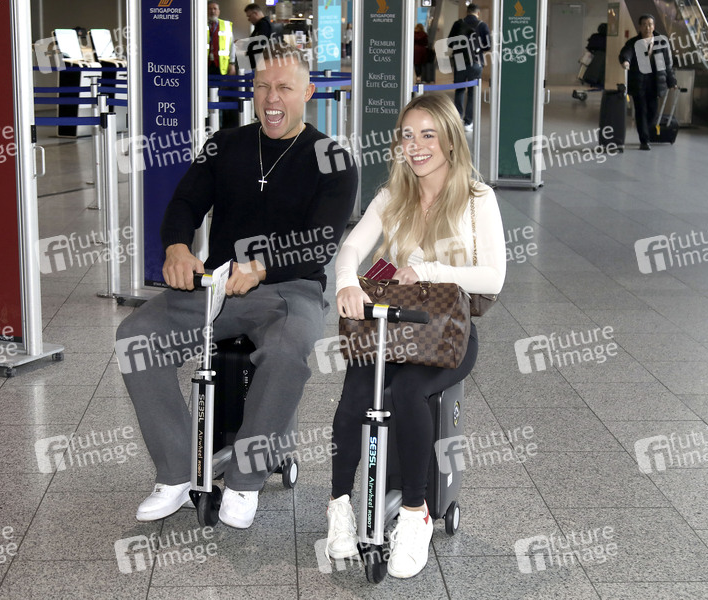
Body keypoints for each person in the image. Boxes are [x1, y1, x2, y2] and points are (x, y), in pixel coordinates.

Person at [116, 45, 357, 530]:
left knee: (287, 354)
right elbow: (184, 202)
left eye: (284, 87)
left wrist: (263, 267)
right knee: (135, 337)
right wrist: (177, 247)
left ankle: (245, 481)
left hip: (291, 288)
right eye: (263, 86)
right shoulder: (224, 144)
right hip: (219, 284)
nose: (272, 98)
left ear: (308, 92)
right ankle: (177, 471)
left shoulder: (332, 158)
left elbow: (321, 243)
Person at [325, 93, 505, 579]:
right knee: (354, 394)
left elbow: (494, 277)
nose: (417, 145)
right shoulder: (393, 196)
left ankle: (414, 513)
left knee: (408, 391)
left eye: (428, 134)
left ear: (451, 140)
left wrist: (429, 270)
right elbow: (351, 249)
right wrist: (346, 283)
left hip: (447, 335)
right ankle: (339, 506)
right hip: (390, 330)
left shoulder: (477, 199)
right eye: (408, 136)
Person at [619, 14, 677, 150]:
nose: (647, 27)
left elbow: (667, 64)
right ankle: (644, 140)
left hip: (655, 82)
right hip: (639, 81)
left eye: (650, 24)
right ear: (639, 27)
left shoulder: (661, 43)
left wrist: (672, 81)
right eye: (644, 24)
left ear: (654, 26)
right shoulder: (633, 42)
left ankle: (647, 133)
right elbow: (626, 52)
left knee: (652, 111)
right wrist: (626, 61)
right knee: (641, 111)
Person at [449, 4, 491, 132]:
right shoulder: (482, 25)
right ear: (478, 13)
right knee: (472, 92)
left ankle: (457, 120)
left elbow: (450, 43)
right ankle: (468, 122)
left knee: (459, 90)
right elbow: (488, 46)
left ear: (466, 12)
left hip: (459, 60)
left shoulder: (458, 24)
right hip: (476, 61)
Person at [207, 2, 239, 129]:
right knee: (206, 96)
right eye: (210, 9)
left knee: (221, 97)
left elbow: (232, 46)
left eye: (215, 9)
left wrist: (232, 63)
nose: (212, 11)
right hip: (205, 67)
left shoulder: (225, 25)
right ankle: (208, 124)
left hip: (221, 67)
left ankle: (219, 125)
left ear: (219, 11)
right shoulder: (200, 24)